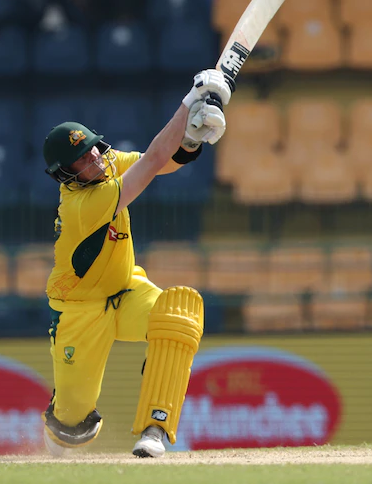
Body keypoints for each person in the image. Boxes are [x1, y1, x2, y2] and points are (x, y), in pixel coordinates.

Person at [40, 69, 232, 458]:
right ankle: (59, 424)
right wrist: (189, 100)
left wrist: (192, 138)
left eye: (93, 148)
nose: (94, 157)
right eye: (82, 158)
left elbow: (161, 161)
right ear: (66, 174)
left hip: (126, 289)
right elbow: (155, 159)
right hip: (80, 309)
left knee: (178, 317)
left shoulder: (108, 164)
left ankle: (155, 429)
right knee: (72, 428)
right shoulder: (81, 204)